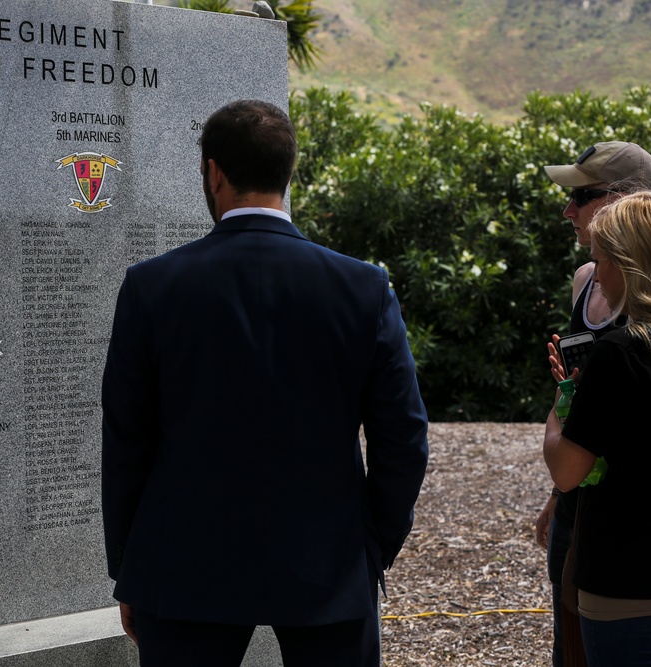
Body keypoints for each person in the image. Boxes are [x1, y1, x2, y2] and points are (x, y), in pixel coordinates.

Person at [100, 99, 429, 667]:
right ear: (288, 171)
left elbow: (127, 439)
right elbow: (403, 438)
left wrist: (130, 566)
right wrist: (368, 546)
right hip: (328, 563)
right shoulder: (363, 289)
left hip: (182, 566)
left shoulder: (151, 287)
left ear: (214, 173)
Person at [543, 191, 651, 665]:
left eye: (601, 260)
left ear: (627, 264)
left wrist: (560, 406)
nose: (597, 277)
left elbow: (568, 470)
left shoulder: (620, 351)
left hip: (627, 581)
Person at [534, 141, 651, 666]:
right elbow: (575, 394)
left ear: (624, 202)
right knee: (570, 640)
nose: (568, 210)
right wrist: (556, 492)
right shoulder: (587, 279)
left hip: (642, 513)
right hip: (579, 491)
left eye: (581, 196)